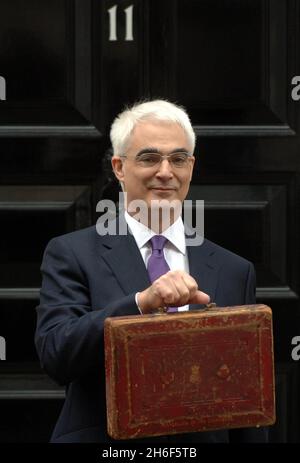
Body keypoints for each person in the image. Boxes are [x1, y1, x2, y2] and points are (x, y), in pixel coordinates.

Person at [35, 99, 268, 443]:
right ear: (118, 167)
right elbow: (57, 356)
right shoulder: (71, 252)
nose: (165, 171)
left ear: (191, 166)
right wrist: (141, 303)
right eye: (148, 158)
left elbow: (248, 398)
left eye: (177, 159)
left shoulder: (234, 269)